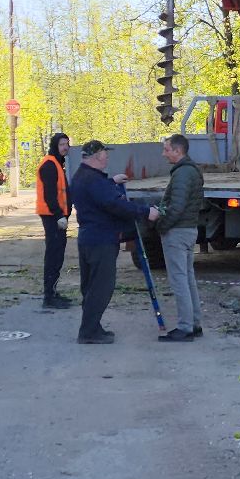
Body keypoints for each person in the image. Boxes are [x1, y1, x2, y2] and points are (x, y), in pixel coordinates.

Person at [69, 139, 161, 344]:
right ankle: (89, 332)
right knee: (101, 287)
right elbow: (114, 205)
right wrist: (146, 212)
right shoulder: (93, 180)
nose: (107, 157)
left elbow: (99, 194)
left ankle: (92, 327)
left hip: (89, 238)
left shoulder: (82, 176)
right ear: (96, 156)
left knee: (91, 286)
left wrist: (111, 183)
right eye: (105, 154)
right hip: (101, 240)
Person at [152, 134, 203, 343]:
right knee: (188, 278)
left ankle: (185, 327)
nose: (164, 154)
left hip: (178, 232)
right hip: (188, 230)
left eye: (167, 149)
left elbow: (176, 207)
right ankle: (194, 323)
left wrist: (161, 225)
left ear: (178, 151)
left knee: (179, 280)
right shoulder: (190, 170)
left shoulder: (182, 173)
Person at [36, 133, 73, 309]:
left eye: (67, 144)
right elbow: (49, 195)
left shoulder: (57, 163)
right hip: (52, 217)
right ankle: (49, 297)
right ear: (54, 146)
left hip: (57, 217)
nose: (65, 147)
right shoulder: (49, 165)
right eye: (61, 144)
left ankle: (52, 292)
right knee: (53, 256)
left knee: (57, 255)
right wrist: (59, 215)